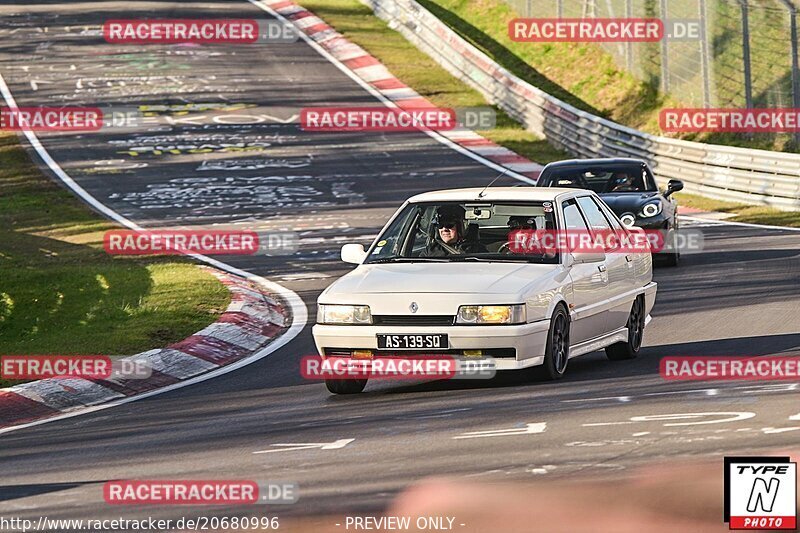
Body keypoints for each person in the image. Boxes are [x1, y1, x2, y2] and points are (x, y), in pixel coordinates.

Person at [421, 204, 487, 257]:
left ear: (460, 227)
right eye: (440, 225)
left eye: (449, 225)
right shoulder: (430, 251)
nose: (444, 229)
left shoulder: (478, 251)